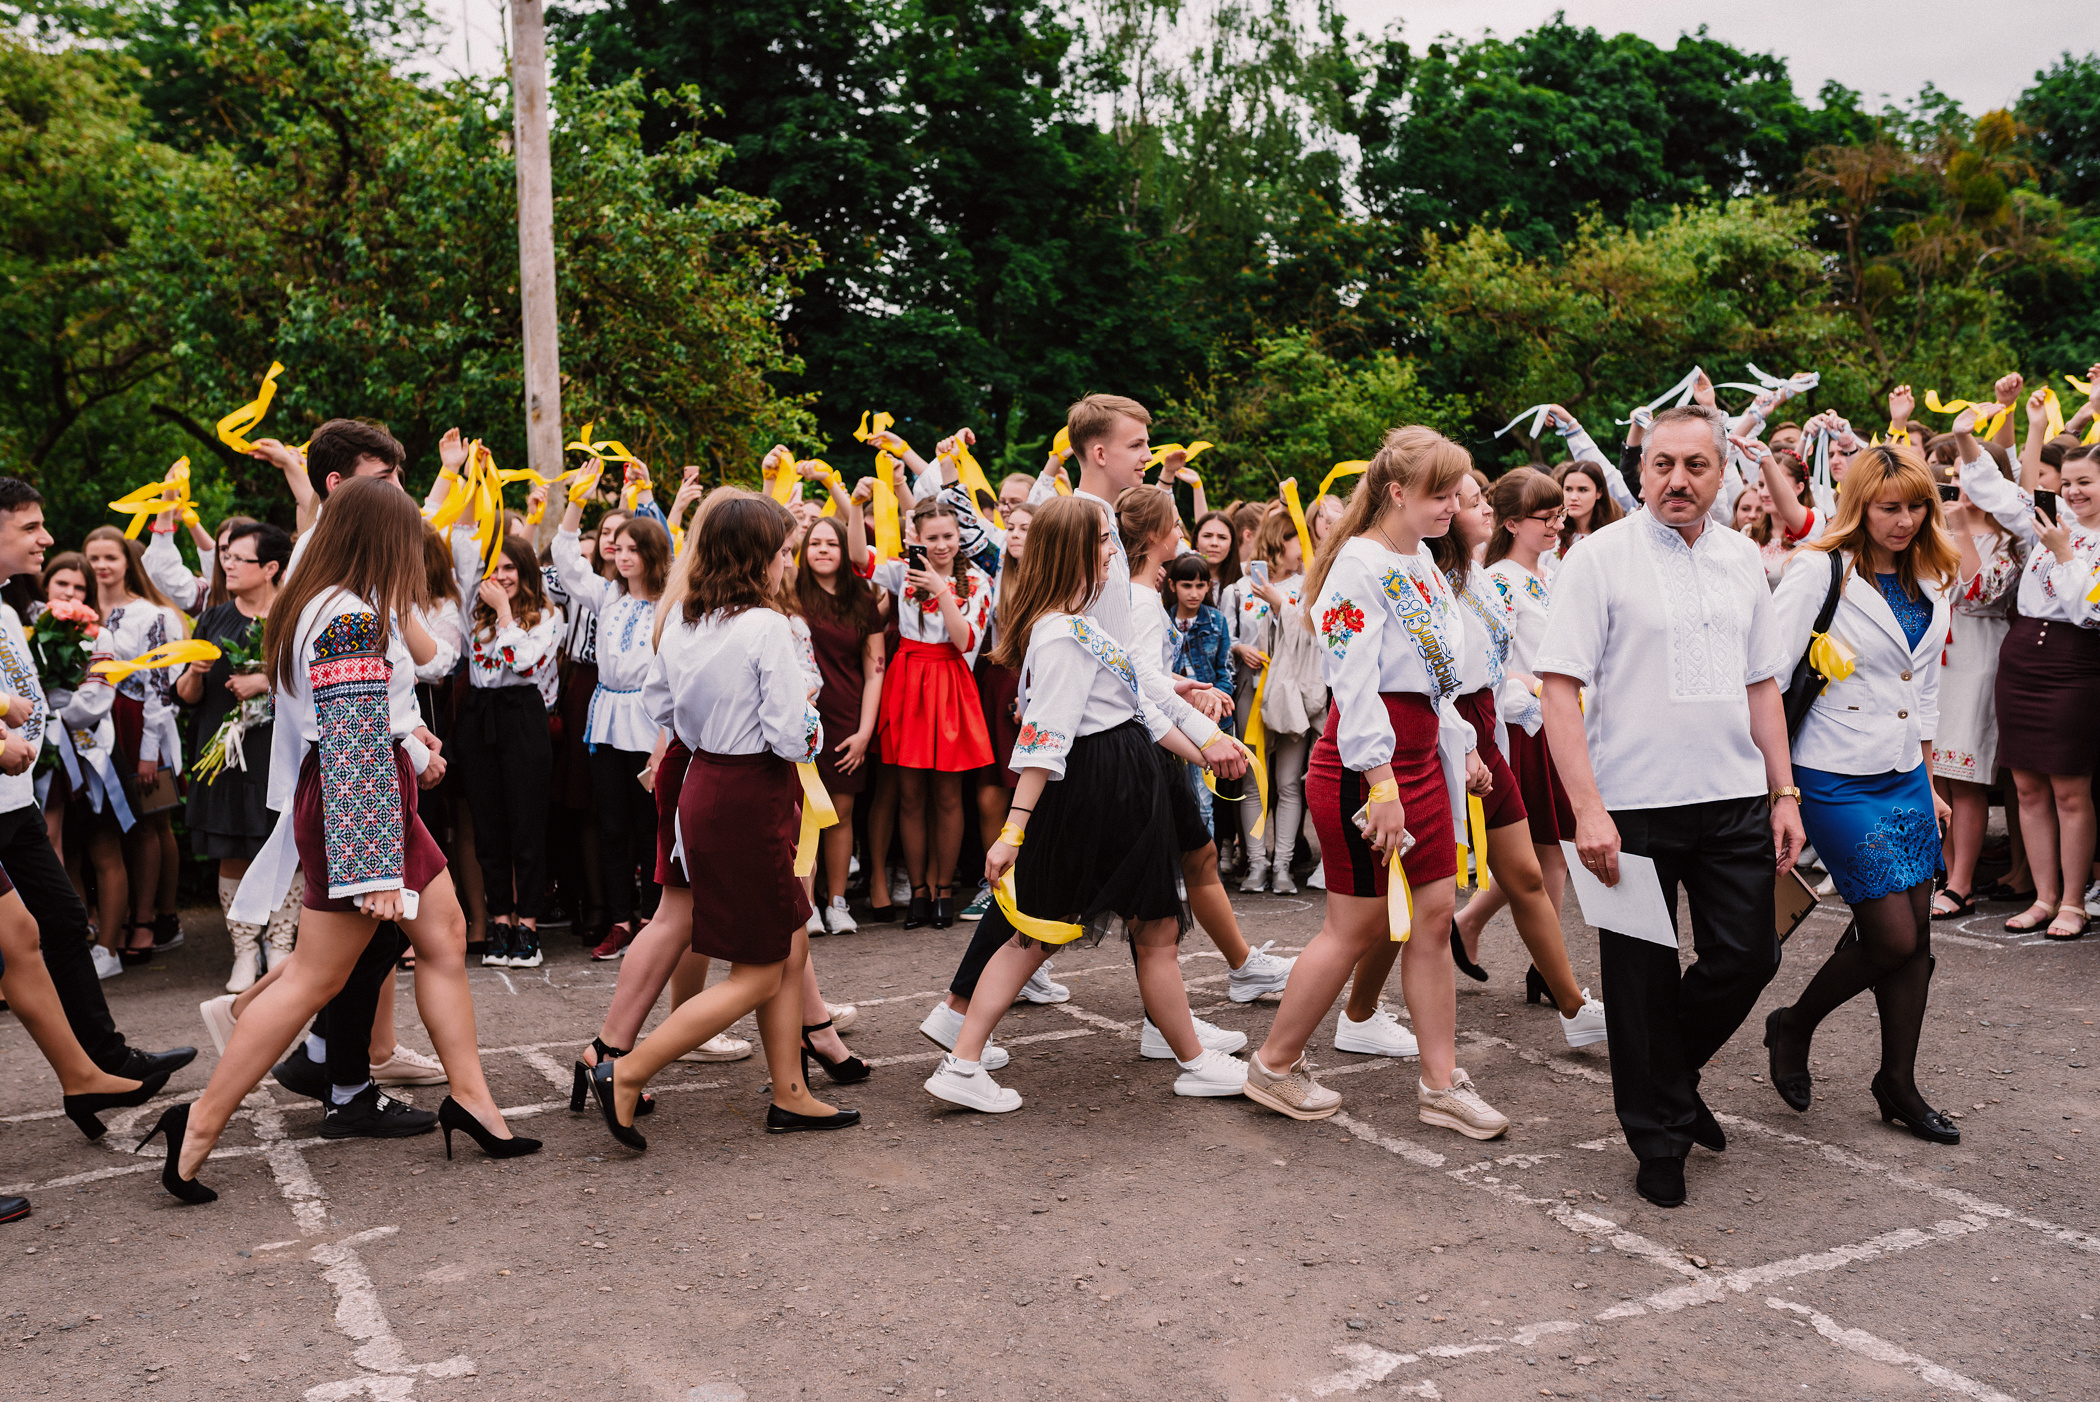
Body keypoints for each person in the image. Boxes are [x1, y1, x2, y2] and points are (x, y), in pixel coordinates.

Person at [152, 479, 537, 1204]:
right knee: (313, 978)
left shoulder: (317, 603)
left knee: (445, 935)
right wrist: (375, 867)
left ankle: (475, 1101)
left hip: (359, 794)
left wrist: (407, 740)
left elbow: (353, 719)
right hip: (357, 803)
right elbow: (351, 742)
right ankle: (196, 1126)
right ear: (383, 542)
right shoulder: (350, 615)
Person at [1538, 404, 1803, 1209]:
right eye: (1662, 465)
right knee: (1641, 979)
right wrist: (1587, 809)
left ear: (1723, 471)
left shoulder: (1741, 559)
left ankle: (1669, 1084)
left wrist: (1783, 791)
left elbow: (1763, 684)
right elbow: (1558, 689)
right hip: (1631, 808)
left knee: (1750, 956)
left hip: (1732, 801)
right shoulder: (1600, 559)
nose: (1677, 480)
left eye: (1695, 465)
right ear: (1642, 469)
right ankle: (1658, 1139)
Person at [921, 495, 1246, 1113]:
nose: (1113, 549)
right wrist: (1014, 830)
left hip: (1118, 780)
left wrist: (1206, 748)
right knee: (1047, 932)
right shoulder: (1062, 634)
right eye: (1101, 539)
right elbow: (1045, 740)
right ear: (1073, 550)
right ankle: (964, 1062)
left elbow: (1134, 707)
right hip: (1095, 787)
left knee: (1138, 928)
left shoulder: (1081, 623)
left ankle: (1192, 1059)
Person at [1242, 426, 1508, 1140]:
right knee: (1354, 927)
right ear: (1398, 492)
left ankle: (1441, 1083)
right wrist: (1383, 785)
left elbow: (1435, 680)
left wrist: (1467, 747)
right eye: (1441, 493)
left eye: (1457, 493)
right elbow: (1353, 683)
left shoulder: (1418, 557)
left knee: (1431, 920)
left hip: (1420, 759)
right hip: (1367, 770)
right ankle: (1273, 1063)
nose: (1454, 506)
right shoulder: (1358, 566)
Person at [586, 492, 859, 1146]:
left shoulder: (686, 619)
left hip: (702, 779)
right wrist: (812, 723)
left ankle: (790, 1091)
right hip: (749, 792)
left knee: (788, 942)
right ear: (756, 558)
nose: (788, 563)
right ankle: (628, 1071)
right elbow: (792, 735)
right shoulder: (765, 626)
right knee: (764, 965)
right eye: (783, 552)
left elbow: (659, 702)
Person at [1764, 441, 1958, 1142]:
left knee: (1919, 940)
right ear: (1860, 506)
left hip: (1904, 774)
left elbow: (1926, 691)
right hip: (1833, 773)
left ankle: (1897, 1081)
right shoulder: (1819, 569)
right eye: (1888, 508)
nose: (1903, 521)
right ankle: (1794, 1025)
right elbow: (1768, 678)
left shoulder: (1932, 577)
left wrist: (1930, 783)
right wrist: (1780, 789)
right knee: (1892, 935)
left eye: (1915, 508)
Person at [1433, 471, 1607, 1048]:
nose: (1559, 523)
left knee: (1534, 860)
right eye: (1546, 516)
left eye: (1562, 513)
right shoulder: (1496, 580)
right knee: (1546, 855)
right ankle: (1550, 975)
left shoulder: (1549, 574)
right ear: (1512, 523)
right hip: (1516, 723)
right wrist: (1532, 692)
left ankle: (1484, 933)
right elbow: (1488, 664)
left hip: (1547, 718)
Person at [1956, 416, 2100, 940]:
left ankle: (2071, 901)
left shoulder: (2078, 536)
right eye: (2068, 483)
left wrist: (2064, 553)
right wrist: (1967, 436)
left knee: (2070, 791)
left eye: (2086, 482)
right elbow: (1992, 489)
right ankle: (2042, 898)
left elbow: (2091, 611)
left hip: (2075, 662)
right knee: (2027, 786)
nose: (2074, 492)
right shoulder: (2047, 514)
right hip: (2021, 659)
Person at [551, 486, 672, 956]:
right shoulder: (608, 598)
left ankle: (652, 919)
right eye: (617, 548)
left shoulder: (668, 606)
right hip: (606, 720)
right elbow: (566, 561)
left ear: (651, 553)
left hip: (649, 721)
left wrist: (664, 740)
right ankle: (620, 921)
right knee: (612, 826)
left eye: (633, 549)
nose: (622, 556)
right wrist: (576, 502)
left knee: (649, 825)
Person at [173, 520, 293, 992]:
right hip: (224, 750)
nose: (227, 565)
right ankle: (244, 950)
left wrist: (266, 682)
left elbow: (312, 680)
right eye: (225, 556)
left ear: (270, 568)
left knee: (284, 847)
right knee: (232, 850)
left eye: (238, 559)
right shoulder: (213, 618)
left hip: (278, 748)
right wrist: (195, 673)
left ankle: (280, 942)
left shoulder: (293, 614)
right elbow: (186, 695)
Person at [870, 499, 994, 927]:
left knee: (947, 795)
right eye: (932, 537)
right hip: (906, 681)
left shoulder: (978, 580)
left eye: (949, 536)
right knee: (909, 795)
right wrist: (851, 498)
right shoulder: (902, 571)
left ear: (960, 537)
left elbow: (964, 641)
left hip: (949, 682)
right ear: (917, 538)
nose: (941, 545)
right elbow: (856, 558)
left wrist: (942, 591)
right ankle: (919, 889)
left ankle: (944, 888)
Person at [83, 525, 188, 964]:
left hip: (145, 728)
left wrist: (150, 751)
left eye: (111, 557)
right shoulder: (76, 611)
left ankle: (153, 920)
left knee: (152, 822)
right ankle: (118, 916)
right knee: (105, 827)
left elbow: (161, 686)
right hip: (93, 729)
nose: (102, 566)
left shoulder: (152, 614)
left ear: (129, 561)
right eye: (94, 558)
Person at [456, 536, 563, 967]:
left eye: (509, 569)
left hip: (523, 713)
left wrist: (504, 613)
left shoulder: (548, 616)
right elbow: (462, 547)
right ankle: (500, 918)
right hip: (480, 715)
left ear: (525, 570)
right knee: (489, 823)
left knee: (527, 822)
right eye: (494, 569)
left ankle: (529, 924)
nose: (500, 578)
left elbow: (524, 663)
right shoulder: (472, 610)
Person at [1928, 470, 2024, 919]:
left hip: (1979, 654)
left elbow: (1978, 593)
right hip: (1934, 657)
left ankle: (1963, 883)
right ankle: (1946, 876)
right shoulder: (1931, 530)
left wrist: (1962, 531)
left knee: (1965, 777)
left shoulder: (2010, 540)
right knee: (1938, 776)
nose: (1960, 488)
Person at [788, 474, 881, 933]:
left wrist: (865, 732)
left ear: (845, 551)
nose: (823, 549)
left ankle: (838, 901)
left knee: (840, 813)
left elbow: (874, 672)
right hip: (800, 716)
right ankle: (805, 905)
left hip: (848, 717)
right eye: (815, 543)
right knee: (803, 813)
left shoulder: (862, 600)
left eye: (832, 543)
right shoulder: (789, 593)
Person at [1223, 509, 1309, 892]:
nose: (1303, 549)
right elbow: (1221, 640)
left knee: (1288, 782)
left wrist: (1280, 605)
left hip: (1291, 692)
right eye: (1297, 541)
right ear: (1280, 541)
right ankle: (1257, 863)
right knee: (1254, 780)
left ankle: (1283, 866)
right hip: (1249, 690)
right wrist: (1240, 648)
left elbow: (1313, 638)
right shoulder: (1237, 590)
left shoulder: (1307, 587)